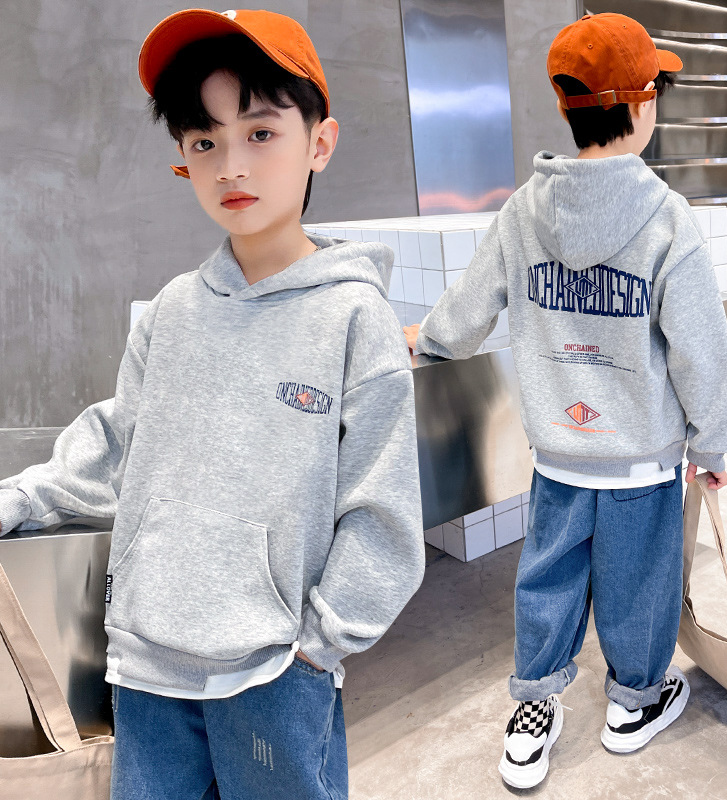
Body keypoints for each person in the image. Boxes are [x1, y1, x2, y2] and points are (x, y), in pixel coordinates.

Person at [0, 9, 425, 799]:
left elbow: (382, 514)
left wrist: (319, 645)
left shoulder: (354, 317)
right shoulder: (170, 311)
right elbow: (119, 446)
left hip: (275, 674)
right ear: (183, 160)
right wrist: (22, 497)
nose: (231, 165)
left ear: (319, 143)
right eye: (204, 141)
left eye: (261, 133)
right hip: (146, 666)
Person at [404, 12, 727, 790]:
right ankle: (634, 704)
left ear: (566, 105)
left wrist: (432, 339)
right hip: (641, 458)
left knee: (547, 577)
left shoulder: (525, 209)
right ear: (644, 105)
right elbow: (700, 348)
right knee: (639, 583)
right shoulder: (665, 218)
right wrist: (712, 443)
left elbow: (470, 303)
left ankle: (532, 713)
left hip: (558, 452)